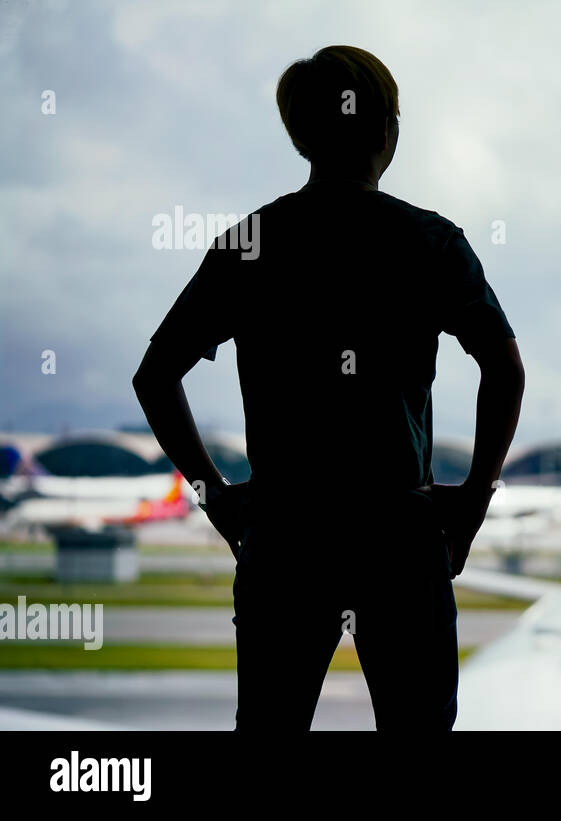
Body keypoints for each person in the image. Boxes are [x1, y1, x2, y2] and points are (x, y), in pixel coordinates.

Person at [132, 45, 525, 732]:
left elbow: (155, 374)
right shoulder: (430, 243)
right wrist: (472, 502)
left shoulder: (251, 243)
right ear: (385, 131)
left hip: (286, 536)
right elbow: (504, 367)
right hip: (399, 536)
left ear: (299, 136)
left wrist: (215, 494)